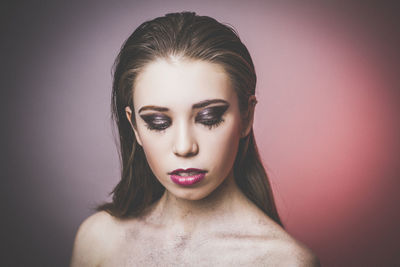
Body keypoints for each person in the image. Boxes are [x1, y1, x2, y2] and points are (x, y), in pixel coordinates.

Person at [70, 11, 320, 266]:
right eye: (158, 122)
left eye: (208, 118)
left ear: (246, 117)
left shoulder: (285, 261)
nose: (184, 147)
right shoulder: (98, 239)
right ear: (134, 125)